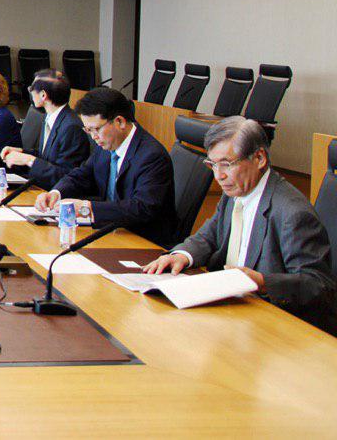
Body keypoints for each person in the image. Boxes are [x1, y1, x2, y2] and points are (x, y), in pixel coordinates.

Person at [143, 117, 337, 333]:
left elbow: (318, 285)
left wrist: (262, 282)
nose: (219, 175)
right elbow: (209, 235)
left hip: (273, 326)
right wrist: (182, 255)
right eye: (212, 165)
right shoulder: (235, 191)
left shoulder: (292, 213)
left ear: (259, 158)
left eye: (226, 164)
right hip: (231, 312)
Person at [34, 87, 176, 247]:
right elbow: (82, 175)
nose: (93, 137)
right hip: (110, 232)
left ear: (120, 122)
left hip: (142, 242)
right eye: (88, 130)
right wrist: (56, 193)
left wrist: (87, 208)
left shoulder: (151, 156)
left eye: (96, 129)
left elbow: (142, 208)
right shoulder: (106, 145)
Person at [1, 69, 90, 189]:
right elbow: (47, 157)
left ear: (43, 95)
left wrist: (29, 160)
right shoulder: (50, 117)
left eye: (32, 88)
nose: (30, 91)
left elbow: (66, 176)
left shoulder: (71, 127)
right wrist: (21, 152)